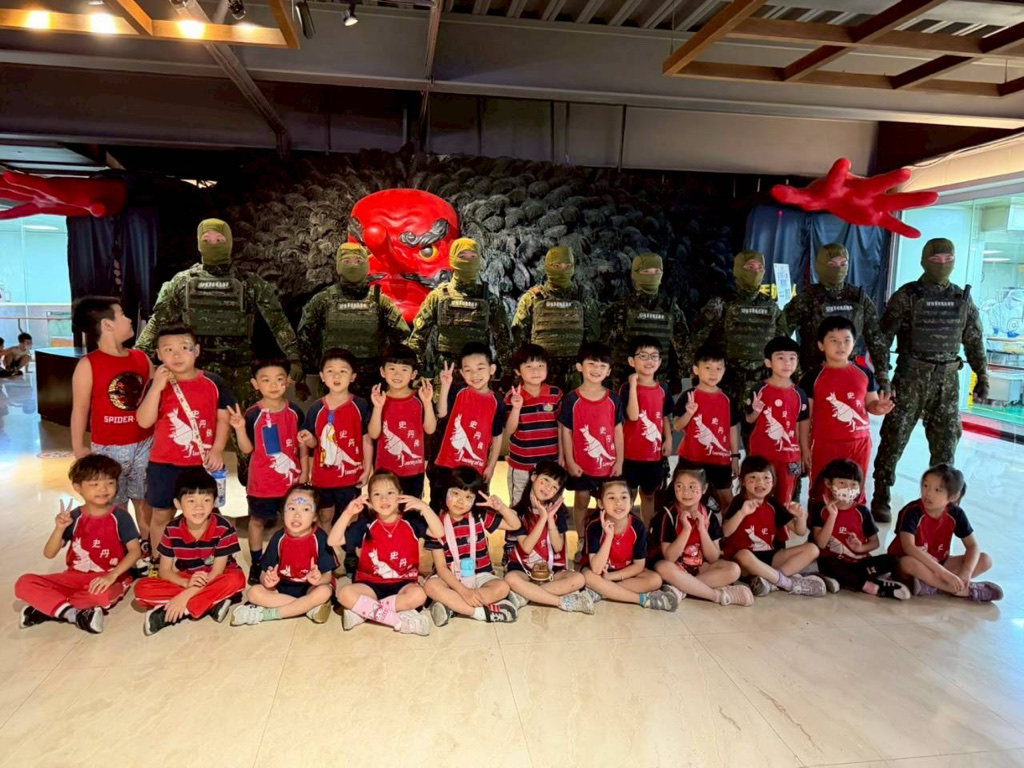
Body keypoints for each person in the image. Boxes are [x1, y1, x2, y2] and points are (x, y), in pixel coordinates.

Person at [135, 218, 306, 432]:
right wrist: (138, 354)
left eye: (219, 239)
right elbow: (158, 321)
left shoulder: (249, 283)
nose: (213, 244)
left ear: (229, 243)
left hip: (238, 369)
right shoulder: (183, 282)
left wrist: (294, 358)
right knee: (193, 429)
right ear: (199, 243)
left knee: (245, 431)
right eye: (207, 240)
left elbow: (278, 322)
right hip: (196, 370)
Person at [871, 238, 989, 523]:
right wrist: (883, 375)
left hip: (947, 382)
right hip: (910, 379)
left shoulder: (961, 298)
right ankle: (881, 494)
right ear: (924, 261)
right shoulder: (907, 295)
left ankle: (941, 500)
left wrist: (982, 375)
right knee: (894, 438)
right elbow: (881, 338)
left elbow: (974, 340)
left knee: (946, 446)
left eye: (948, 259)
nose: (942, 264)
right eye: (936, 259)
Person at [135, 324, 235, 570]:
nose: (177, 355)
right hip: (163, 462)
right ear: (159, 354)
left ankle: (207, 559)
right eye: (168, 349)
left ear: (197, 350)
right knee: (161, 514)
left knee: (206, 512)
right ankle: (159, 563)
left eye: (184, 348)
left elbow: (224, 419)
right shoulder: (156, 383)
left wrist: (217, 449)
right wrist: (157, 387)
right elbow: (144, 421)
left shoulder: (213, 382)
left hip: (201, 463)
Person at [70, 296, 154, 570]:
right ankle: (120, 551)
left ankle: (147, 549)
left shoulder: (141, 358)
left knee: (144, 500)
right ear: (107, 324)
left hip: (144, 443)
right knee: (114, 503)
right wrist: (79, 448)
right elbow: (80, 409)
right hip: (108, 448)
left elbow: (156, 398)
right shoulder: (88, 364)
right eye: (123, 315)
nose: (129, 320)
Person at [15, 455, 142, 634]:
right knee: (23, 583)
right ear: (77, 487)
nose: (103, 489)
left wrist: (111, 576)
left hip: (109, 577)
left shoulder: (120, 516)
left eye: (110, 483)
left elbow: (135, 551)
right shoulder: (74, 517)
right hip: (73, 577)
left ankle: (48, 608)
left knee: (102, 596)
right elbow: (49, 553)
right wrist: (59, 529)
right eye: (94, 484)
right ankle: (73, 614)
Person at [134, 469, 246, 635]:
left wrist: (185, 596)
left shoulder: (223, 527)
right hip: (188, 577)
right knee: (141, 589)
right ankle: (211, 603)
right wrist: (186, 584)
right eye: (191, 501)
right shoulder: (172, 529)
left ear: (215, 502)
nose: (199, 507)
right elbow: (164, 571)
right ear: (178, 504)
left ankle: (173, 613)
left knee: (236, 580)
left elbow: (217, 571)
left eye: (206, 500)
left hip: (218, 576)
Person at [331, 471, 444, 636]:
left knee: (419, 595)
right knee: (344, 594)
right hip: (369, 584)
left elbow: (439, 532)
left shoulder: (411, 520)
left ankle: (364, 612)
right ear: (369, 500)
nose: (384, 499)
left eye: (390, 493)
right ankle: (399, 621)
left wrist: (423, 507)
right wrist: (348, 513)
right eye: (377, 494)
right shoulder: (365, 523)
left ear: (400, 495)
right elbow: (333, 541)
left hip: (403, 582)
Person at [228, 358, 309, 585]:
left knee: (291, 520)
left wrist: (304, 473)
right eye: (266, 380)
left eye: (279, 379)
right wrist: (239, 428)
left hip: (291, 483)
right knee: (257, 521)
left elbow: (302, 444)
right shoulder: (252, 414)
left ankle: (288, 559)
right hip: (262, 483)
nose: (273, 385)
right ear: (255, 384)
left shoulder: (295, 412)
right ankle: (257, 562)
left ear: (288, 381)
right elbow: (247, 449)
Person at [799, 317, 894, 506]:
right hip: (824, 444)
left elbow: (871, 404)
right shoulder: (812, 377)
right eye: (833, 340)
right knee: (822, 492)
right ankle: (819, 523)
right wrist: (804, 447)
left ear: (854, 343)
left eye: (846, 340)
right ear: (821, 345)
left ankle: (855, 521)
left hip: (859, 444)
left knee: (854, 492)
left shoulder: (864, 373)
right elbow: (804, 418)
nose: (841, 345)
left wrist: (879, 408)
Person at [297, 243, 410, 395]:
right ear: (338, 266)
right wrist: (311, 368)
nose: (353, 266)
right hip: (334, 384)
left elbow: (403, 340)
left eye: (358, 261)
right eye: (347, 261)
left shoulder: (380, 301)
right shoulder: (323, 300)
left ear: (366, 265)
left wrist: (401, 372)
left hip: (372, 384)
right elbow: (304, 337)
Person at [685, 251, 786, 413]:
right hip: (725, 383)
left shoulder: (771, 307)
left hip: (761, 385)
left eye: (760, 268)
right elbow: (696, 342)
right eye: (750, 267)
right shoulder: (721, 304)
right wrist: (696, 376)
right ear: (738, 270)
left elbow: (783, 346)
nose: (755, 271)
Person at [782, 243, 890, 390]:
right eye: (832, 264)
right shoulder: (807, 298)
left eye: (843, 264)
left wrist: (883, 377)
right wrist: (797, 372)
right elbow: (781, 334)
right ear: (820, 266)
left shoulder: (858, 298)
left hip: (849, 374)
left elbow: (876, 339)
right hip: (814, 375)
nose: (838, 269)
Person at [888, 464, 1002, 602]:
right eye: (925, 486)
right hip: (910, 566)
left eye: (937, 490)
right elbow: (909, 547)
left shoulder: (956, 514)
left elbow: (973, 546)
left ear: (953, 496)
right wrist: (945, 574)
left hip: (939, 564)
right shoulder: (912, 511)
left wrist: (966, 572)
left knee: (985, 560)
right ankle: (959, 590)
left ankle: (931, 586)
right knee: (908, 562)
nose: (928, 493)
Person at [423, 466, 521, 627]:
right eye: (455, 494)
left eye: (468, 497)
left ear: (475, 500)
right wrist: (464, 591)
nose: (461, 501)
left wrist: (501, 508)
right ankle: (481, 612)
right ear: (445, 491)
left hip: (479, 575)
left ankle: (452, 607)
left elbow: (515, 525)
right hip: (450, 578)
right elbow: (441, 568)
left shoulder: (480, 516)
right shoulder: (436, 525)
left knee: (502, 587)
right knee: (431, 586)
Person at [407, 237, 512, 382]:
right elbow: (418, 338)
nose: (468, 261)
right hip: (445, 377)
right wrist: (411, 373)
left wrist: (509, 376)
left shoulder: (490, 301)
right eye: (462, 256)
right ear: (453, 260)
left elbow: (504, 342)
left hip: (477, 379)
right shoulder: (438, 297)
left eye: (472, 257)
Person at [230, 484, 335, 626]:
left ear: (315, 516)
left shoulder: (320, 538)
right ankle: (307, 608)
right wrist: (267, 580)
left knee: (324, 591)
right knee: (253, 592)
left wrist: (318, 579)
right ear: (283, 512)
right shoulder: (278, 538)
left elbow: (327, 576)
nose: (297, 515)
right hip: (283, 588)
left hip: (310, 588)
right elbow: (263, 572)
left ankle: (267, 615)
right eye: (291, 508)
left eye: (305, 509)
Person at [721, 456, 826, 597]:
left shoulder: (773, 505)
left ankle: (771, 581)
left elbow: (800, 531)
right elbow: (725, 532)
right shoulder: (738, 502)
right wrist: (742, 513)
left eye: (766, 478)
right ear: (743, 481)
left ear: (773, 482)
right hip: (743, 563)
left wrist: (801, 517)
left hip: (770, 557)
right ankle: (786, 583)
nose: (760, 482)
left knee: (813, 549)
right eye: (753, 477)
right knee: (744, 555)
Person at [651, 464, 753, 607]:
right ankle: (717, 595)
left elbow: (713, 558)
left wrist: (702, 529)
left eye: (692, 487)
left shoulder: (709, 515)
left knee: (734, 569)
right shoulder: (667, 514)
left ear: (704, 489)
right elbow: (669, 557)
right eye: (679, 486)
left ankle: (681, 589)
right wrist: (686, 530)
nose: (686, 492)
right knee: (663, 567)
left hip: (700, 569)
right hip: (675, 568)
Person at [809, 459, 909, 599]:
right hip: (835, 562)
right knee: (827, 563)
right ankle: (871, 586)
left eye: (853, 484)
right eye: (842, 483)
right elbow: (821, 544)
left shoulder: (862, 512)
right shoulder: (820, 509)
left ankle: (847, 581)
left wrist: (860, 548)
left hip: (860, 563)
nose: (848, 488)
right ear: (828, 483)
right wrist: (832, 516)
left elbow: (875, 542)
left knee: (893, 560)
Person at [296, 348, 372, 532]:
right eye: (330, 371)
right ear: (322, 376)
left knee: (352, 513)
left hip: (351, 475)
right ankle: (327, 546)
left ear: (353, 377)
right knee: (325, 515)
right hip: (323, 477)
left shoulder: (360, 405)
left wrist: (367, 468)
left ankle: (350, 547)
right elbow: (315, 445)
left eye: (343, 371)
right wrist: (309, 439)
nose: (336, 376)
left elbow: (366, 438)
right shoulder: (316, 408)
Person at [502, 461, 593, 614]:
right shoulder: (517, 512)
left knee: (579, 579)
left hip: (551, 570)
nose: (548, 488)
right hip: (524, 569)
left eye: (554, 487)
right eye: (545, 480)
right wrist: (542, 518)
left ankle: (527, 595)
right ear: (534, 477)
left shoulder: (558, 513)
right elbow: (526, 547)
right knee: (510, 579)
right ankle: (561, 601)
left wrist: (550, 518)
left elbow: (558, 546)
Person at [558, 342, 624, 548]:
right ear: (580, 367)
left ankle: (603, 540)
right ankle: (581, 540)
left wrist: (619, 461)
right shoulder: (571, 399)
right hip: (581, 465)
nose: (597, 369)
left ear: (609, 371)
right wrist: (569, 460)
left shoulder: (613, 399)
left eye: (602, 366)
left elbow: (618, 431)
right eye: (592, 364)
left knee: (606, 502)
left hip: (608, 466)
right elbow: (566, 431)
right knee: (581, 499)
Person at [430, 341, 508, 510]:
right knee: (440, 506)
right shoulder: (458, 391)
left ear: (492, 369)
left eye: (480, 368)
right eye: (468, 370)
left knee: (473, 509)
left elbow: (497, 435)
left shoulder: (497, 402)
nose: (475, 374)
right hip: (447, 464)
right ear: (461, 373)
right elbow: (441, 413)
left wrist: (491, 465)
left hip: (475, 468)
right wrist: (445, 386)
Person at [511, 246, 601, 390]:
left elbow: (593, 339)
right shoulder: (532, 299)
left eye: (567, 266)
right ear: (548, 267)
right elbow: (518, 340)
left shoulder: (583, 298)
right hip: (540, 378)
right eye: (557, 266)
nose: (562, 270)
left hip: (575, 377)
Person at [580, 478, 677, 610]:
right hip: (598, 573)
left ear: (631, 503)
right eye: (612, 498)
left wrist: (611, 577)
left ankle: (602, 592)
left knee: (655, 579)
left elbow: (638, 565)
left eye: (624, 497)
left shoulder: (638, 527)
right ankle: (642, 599)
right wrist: (609, 536)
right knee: (588, 577)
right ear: (601, 503)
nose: (619, 503)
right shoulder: (594, 526)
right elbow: (596, 569)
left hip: (625, 573)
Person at [602, 253, 688, 389]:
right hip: (624, 382)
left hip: (658, 383)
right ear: (635, 274)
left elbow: (683, 348)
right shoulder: (620, 308)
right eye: (646, 272)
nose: (652, 276)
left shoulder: (671, 309)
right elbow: (603, 346)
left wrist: (678, 376)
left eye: (656, 272)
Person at [673, 345, 741, 507]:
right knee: (686, 500)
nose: (713, 373)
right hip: (691, 459)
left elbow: (732, 429)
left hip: (720, 460)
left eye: (718, 368)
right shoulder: (689, 396)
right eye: (708, 368)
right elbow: (676, 426)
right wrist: (689, 413)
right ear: (696, 369)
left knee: (727, 501)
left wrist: (735, 457)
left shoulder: (728, 399)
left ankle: (727, 526)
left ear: (724, 371)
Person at [746, 336, 809, 506]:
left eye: (792, 358)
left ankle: (782, 523)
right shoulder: (759, 389)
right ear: (768, 362)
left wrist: (805, 452)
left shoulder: (800, 394)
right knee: (758, 496)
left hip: (790, 456)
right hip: (762, 454)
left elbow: (802, 424)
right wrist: (755, 412)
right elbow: (749, 419)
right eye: (780, 358)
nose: (787, 363)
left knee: (785, 499)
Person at [367, 344, 436, 499]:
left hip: (413, 470)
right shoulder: (379, 398)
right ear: (382, 371)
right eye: (392, 369)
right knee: (385, 508)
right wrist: (378, 407)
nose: (397, 374)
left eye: (404, 369)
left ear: (413, 374)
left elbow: (430, 429)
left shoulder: (420, 398)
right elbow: (373, 433)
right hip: (384, 471)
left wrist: (427, 403)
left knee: (411, 508)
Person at [619, 335, 673, 525]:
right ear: (632, 361)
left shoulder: (663, 388)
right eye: (643, 356)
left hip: (653, 455)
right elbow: (633, 416)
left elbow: (665, 416)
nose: (649, 361)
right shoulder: (626, 388)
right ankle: (626, 529)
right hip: (630, 454)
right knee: (628, 494)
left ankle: (647, 532)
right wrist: (634, 385)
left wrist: (668, 439)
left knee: (649, 495)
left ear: (659, 361)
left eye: (654, 356)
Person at [504, 344, 562, 507]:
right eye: (529, 366)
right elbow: (509, 430)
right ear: (517, 371)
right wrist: (516, 408)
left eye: (540, 366)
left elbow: (562, 427)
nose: (535, 371)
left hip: (550, 463)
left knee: (549, 503)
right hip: (522, 464)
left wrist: (562, 456)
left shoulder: (555, 394)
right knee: (518, 504)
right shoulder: (512, 396)